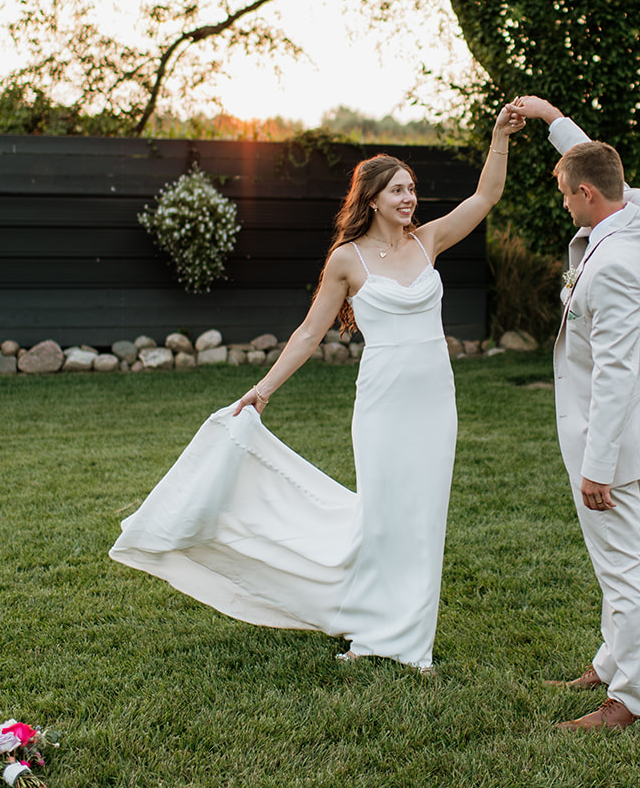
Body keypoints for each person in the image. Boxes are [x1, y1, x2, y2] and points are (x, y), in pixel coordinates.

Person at [109, 102, 526, 671]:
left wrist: (499, 137)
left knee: (424, 516)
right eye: (399, 191)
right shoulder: (346, 261)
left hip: (434, 401)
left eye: (413, 190)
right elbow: (309, 333)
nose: (410, 200)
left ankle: (410, 642)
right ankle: (370, 630)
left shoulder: (427, 242)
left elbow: (484, 198)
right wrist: (263, 389)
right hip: (382, 403)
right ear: (373, 198)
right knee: (382, 514)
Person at [509, 95, 640, 730]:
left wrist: (596, 467)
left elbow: (615, 373)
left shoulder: (619, 267)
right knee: (614, 561)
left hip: (614, 443)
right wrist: (552, 122)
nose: (563, 204)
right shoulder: (639, 209)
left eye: (566, 196)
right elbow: (595, 160)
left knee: (625, 567)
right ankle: (609, 661)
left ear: (586, 196)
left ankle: (630, 698)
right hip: (634, 430)